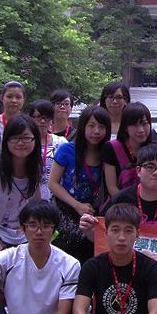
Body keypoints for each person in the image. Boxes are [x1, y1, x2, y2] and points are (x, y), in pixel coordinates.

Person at [0, 115, 46, 263]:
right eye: (14, 138)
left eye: (26, 138)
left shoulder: (36, 170)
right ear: (6, 141)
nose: (20, 143)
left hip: (22, 235)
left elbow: (37, 207)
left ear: (35, 140)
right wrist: (1, 254)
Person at [49, 105, 110, 261]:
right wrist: (76, 205)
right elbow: (53, 183)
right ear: (83, 127)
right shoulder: (67, 150)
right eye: (91, 126)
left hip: (91, 210)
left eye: (101, 127)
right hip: (64, 208)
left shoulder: (107, 154)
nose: (96, 131)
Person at [91, 144, 157, 230]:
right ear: (138, 171)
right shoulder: (120, 199)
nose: (156, 173)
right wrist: (89, 229)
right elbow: (101, 232)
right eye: (150, 167)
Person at [103, 102, 156, 196]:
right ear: (125, 127)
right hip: (120, 201)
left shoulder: (155, 149)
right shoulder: (112, 148)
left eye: (144, 124)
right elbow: (111, 187)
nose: (141, 130)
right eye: (135, 125)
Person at [26, 100, 66, 200]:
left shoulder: (61, 142)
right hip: (29, 196)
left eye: (46, 117)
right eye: (38, 117)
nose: (43, 121)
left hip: (56, 197)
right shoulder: (24, 143)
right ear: (30, 118)